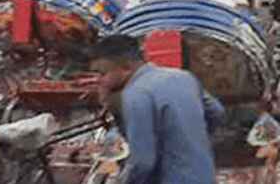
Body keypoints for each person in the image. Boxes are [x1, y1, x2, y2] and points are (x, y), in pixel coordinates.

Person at [91, 35, 224, 184]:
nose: (99, 80)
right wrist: (192, 138)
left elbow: (142, 162)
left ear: (125, 67)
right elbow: (216, 112)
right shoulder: (183, 77)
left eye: (103, 73)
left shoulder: (135, 94)